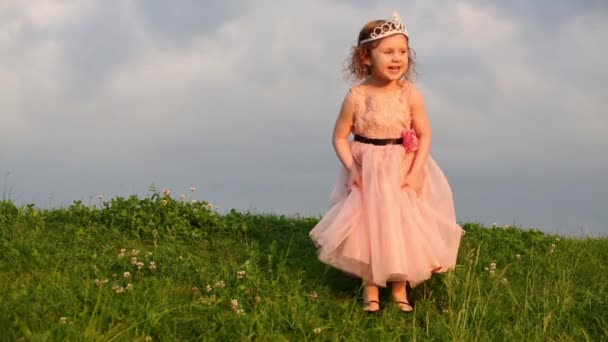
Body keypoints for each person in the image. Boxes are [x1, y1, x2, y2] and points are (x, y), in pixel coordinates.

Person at [309, 11, 463, 313]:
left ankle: (400, 289)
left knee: (400, 228)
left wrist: (417, 171)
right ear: (366, 57)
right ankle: (370, 290)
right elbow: (340, 137)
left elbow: (425, 134)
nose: (397, 59)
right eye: (388, 52)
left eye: (403, 52)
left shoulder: (410, 94)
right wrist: (353, 168)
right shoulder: (357, 96)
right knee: (369, 228)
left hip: (401, 168)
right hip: (368, 170)